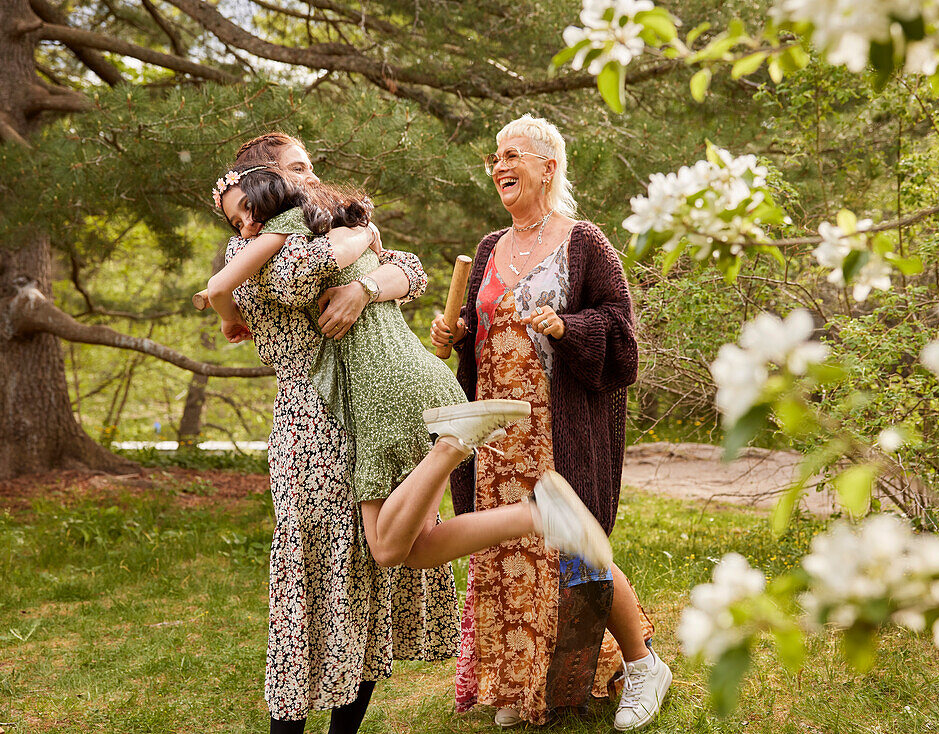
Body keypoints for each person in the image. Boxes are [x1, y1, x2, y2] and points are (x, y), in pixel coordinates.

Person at [201, 132, 607, 734]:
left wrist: (365, 272)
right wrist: (357, 244)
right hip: (317, 431)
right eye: (294, 171)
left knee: (356, 582)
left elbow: (409, 271)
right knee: (351, 578)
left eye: (309, 166)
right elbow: (293, 278)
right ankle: (532, 511)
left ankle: (470, 465)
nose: (308, 178)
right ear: (268, 190)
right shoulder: (277, 252)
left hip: (362, 413)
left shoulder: (311, 241)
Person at [207, 160, 611, 571]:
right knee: (417, 547)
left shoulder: (288, 236)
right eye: (236, 222)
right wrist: (366, 238)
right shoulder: (337, 225)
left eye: (247, 211)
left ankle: (456, 444)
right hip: (418, 376)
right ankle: (537, 514)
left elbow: (223, 286)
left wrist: (229, 315)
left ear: (270, 197)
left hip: (381, 390)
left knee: (384, 548)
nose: (245, 228)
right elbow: (405, 268)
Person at [431, 114, 671, 730]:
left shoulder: (584, 242)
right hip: (497, 432)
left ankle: (644, 665)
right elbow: (480, 340)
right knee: (507, 549)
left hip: (556, 427)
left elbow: (622, 336)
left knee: (575, 546)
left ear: (549, 165)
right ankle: (524, 683)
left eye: (512, 155)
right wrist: (456, 333)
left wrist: (570, 329)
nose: (499, 166)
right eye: (494, 157)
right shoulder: (489, 248)